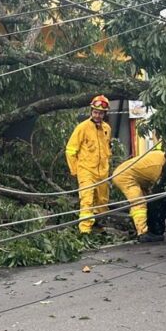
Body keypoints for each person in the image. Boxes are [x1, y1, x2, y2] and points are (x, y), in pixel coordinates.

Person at [65, 95, 112, 234]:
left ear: (105, 113)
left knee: (103, 202)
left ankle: (98, 226)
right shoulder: (82, 128)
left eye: (101, 113)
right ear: (91, 111)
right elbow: (70, 150)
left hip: (103, 171)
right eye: (95, 112)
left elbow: (107, 149)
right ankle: (84, 232)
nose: (98, 115)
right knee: (87, 201)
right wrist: (75, 170)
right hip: (86, 170)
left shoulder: (106, 128)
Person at [111, 147, 166, 243]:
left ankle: (139, 226)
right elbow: (159, 188)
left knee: (144, 201)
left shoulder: (159, 156)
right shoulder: (158, 166)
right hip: (125, 177)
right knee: (139, 203)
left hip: (132, 176)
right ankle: (142, 233)